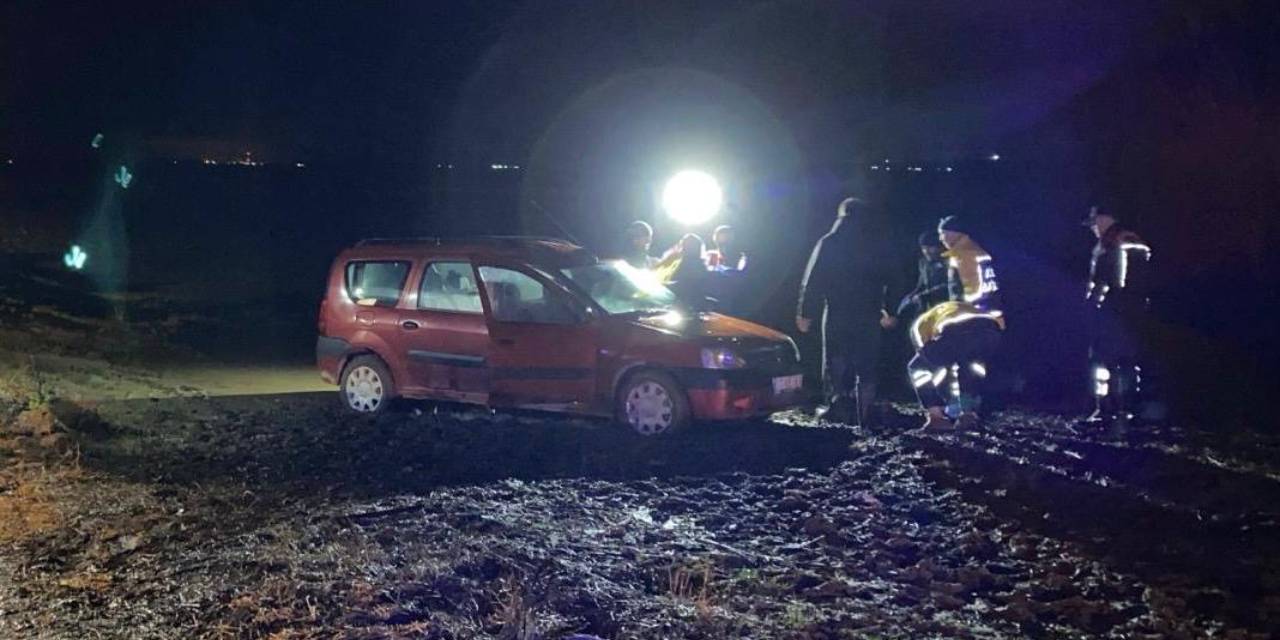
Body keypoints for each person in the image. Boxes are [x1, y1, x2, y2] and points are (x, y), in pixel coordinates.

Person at [796, 197, 897, 425]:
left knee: (835, 358)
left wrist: (805, 312)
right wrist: (890, 310)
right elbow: (893, 277)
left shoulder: (831, 241)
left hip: (836, 309)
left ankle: (837, 406)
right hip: (869, 311)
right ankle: (866, 410)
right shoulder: (878, 242)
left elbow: (814, 279)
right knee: (867, 361)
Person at [906, 215, 1005, 432]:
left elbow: (963, 294)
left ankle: (936, 416)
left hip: (962, 325)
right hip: (992, 328)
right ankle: (967, 414)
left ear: (955, 233)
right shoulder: (982, 253)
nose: (940, 238)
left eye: (943, 233)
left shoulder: (959, 257)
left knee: (917, 367)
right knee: (969, 366)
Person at [1082, 205, 1154, 427]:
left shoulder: (1115, 242)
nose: (1093, 228)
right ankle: (1122, 407)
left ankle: (1113, 408)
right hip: (1127, 312)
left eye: (1094, 223)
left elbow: (1110, 282)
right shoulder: (1118, 240)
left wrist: (1095, 306)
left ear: (1105, 219)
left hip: (1115, 313)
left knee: (1109, 360)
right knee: (1123, 361)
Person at [883, 231, 949, 327]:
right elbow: (922, 284)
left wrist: (925, 295)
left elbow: (950, 285)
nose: (926, 251)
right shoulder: (923, 263)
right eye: (923, 248)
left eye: (930, 247)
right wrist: (911, 296)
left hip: (945, 305)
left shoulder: (950, 262)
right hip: (928, 306)